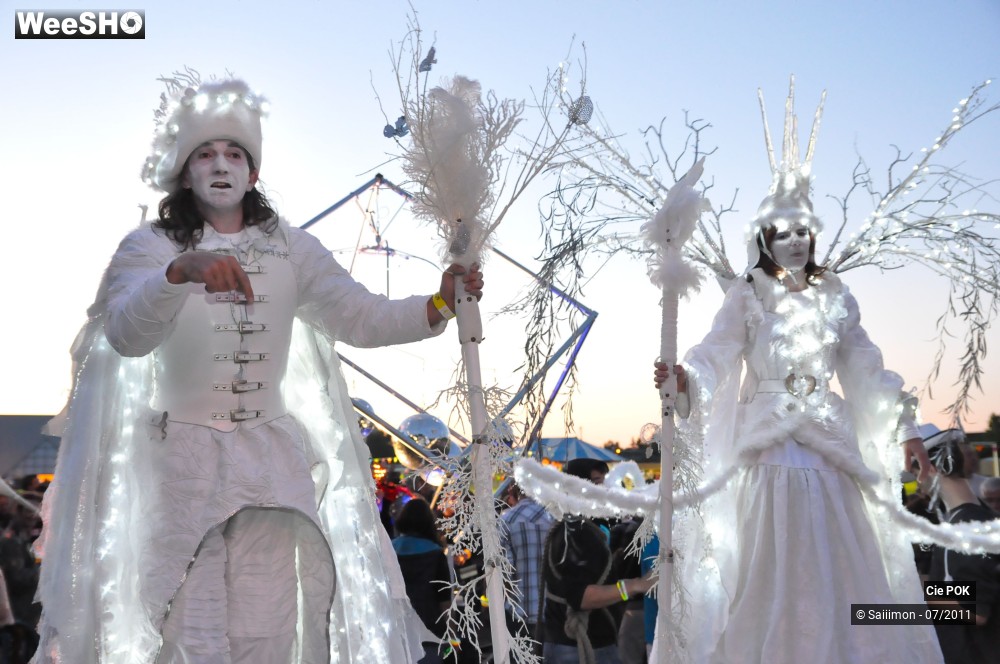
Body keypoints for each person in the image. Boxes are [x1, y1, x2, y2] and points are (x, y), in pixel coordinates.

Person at [32, 74, 483, 664]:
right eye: (205, 154)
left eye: (234, 153)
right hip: (180, 466)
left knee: (267, 628)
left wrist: (439, 303)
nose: (221, 164)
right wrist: (179, 275)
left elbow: (359, 315)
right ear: (185, 174)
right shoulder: (150, 249)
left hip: (270, 462)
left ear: (253, 174)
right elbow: (125, 334)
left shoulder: (292, 248)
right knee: (185, 628)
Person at [653, 128, 941, 661]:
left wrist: (906, 429)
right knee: (762, 565)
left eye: (804, 231)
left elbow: (867, 367)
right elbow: (716, 350)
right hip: (765, 444)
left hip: (829, 447)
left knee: (842, 568)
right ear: (765, 238)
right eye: (784, 232)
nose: (797, 241)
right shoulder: (746, 295)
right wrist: (686, 378)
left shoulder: (836, 297)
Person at [540, 459, 654, 664]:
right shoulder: (578, 533)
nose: (606, 489)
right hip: (579, 648)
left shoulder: (574, 527)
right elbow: (582, 597)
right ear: (579, 486)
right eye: (598, 483)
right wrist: (636, 585)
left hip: (578, 644)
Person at [920, 428, 1000, 663]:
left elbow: (975, 610)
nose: (919, 484)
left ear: (929, 468)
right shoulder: (972, 520)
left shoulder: (965, 528)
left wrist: (882, 612)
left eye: (915, 474)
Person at [391, 498, 452, 664]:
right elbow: (444, 601)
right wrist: (452, 633)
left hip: (398, 627)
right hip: (430, 629)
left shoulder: (389, 550)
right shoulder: (436, 554)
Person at [499, 483, 554, 647]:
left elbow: (505, 572)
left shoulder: (506, 520)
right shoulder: (556, 518)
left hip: (518, 612)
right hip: (553, 613)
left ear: (515, 491)